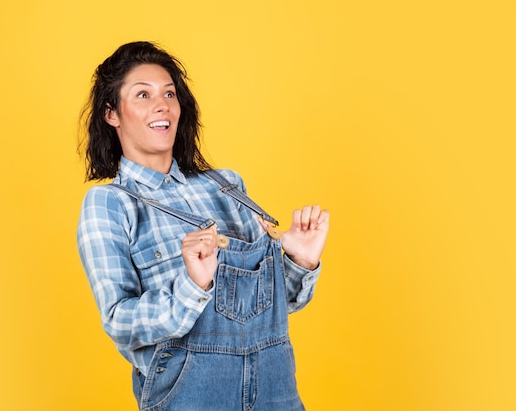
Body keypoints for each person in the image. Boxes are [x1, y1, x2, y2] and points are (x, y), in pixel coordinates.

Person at [77, 41, 329, 411]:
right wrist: (192, 287)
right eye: (142, 94)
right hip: (191, 396)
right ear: (112, 114)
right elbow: (119, 320)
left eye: (169, 93)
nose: (161, 104)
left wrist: (299, 263)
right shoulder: (110, 204)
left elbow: (276, 305)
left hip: (275, 387)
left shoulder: (227, 186)